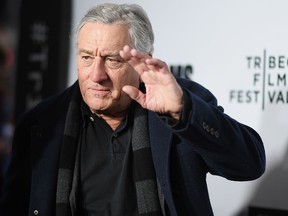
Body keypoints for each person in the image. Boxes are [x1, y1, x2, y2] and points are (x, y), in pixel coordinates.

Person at [0, 3, 265, 216]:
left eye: (112, 60)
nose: (97, 75)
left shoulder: (179, 104)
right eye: (87, 57)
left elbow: (249, 165)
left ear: (143, 61)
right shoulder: (41, 123)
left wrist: (183, 112)